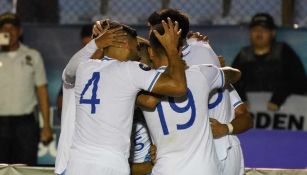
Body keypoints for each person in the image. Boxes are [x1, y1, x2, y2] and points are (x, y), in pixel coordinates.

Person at [62, 20, 187, 175]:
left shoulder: (84, 68)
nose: (138, 52)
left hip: (78, 163)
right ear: (126, 45)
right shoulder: (130, 70)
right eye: (136, 46)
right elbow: (179, 87)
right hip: (111, 164)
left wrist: (96, 43)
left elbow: (68, 72)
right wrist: (171, 50)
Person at [138, 23, 241, 175]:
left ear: (151, 52)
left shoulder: (140, 84)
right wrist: (216, 67)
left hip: (167, 169)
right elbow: (236, 74)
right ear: (180, 50)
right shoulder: (201, 74)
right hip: (205, 169)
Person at [0, 12, 52, 165]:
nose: (8, 32)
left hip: (25, 124)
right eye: (4, 28)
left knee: (25, 168)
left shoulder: (32, 55)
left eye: (12, 28)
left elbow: (42, 91)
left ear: (20, 31)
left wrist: (46, 127)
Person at [232, 13, 306, 111]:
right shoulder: (243, 55)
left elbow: (299, 81)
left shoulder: (283, 52)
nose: (259, 33)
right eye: (255, 30)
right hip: (250, 114)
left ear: (273, 33)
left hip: (284, 113)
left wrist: (279, 97)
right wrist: (241, 99)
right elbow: (232, 82)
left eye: (264, 30)